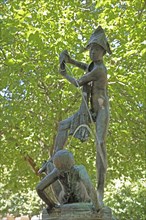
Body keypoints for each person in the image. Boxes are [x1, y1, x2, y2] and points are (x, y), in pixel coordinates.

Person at [54, 26, 112, 206]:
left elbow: (79, 82)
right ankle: (54, 163)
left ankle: (100, 189)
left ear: (103, 51)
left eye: (96, 49)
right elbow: (84, 66)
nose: (93, 52)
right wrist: (70, 60)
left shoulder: (100, 70)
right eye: (91, 49)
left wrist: (64, 73)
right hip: (88, 110)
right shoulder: (92, 65)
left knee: (100, 144)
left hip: (101, 110)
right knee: (63, 125)